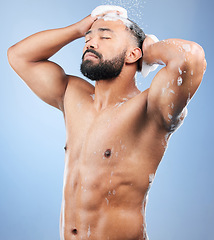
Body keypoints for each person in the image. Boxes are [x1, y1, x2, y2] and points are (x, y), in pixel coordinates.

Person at [7, 6, 206, 240]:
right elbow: (18, 56)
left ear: (133, 54)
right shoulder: (73, 95)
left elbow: (190, 57)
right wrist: (78, 28)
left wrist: (149, 50)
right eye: (88, 38)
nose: (90, 43)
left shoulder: (150, 109)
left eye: (105, 37)